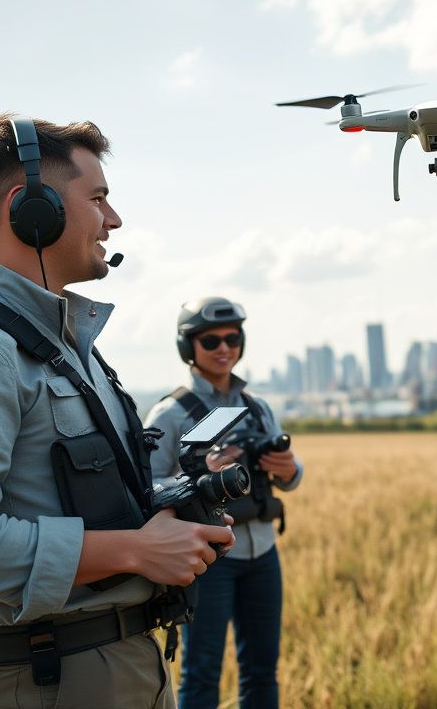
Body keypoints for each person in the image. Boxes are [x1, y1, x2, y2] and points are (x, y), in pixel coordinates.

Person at [0, 114, 234, 708]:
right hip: (51, 679)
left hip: (123, 665)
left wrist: (167, 513)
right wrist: (135, 551)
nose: (114, 220)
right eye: (99, 199)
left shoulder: (68, 346)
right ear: (31, 208)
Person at [145, 298, 302, 709]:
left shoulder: (257, 406)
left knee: (263, 671)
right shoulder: (170, 413)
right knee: (202, 673)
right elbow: (144, 489)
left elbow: (292, 477)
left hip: (264, 552)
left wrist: (287, 467)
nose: (223, 347)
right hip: (207, 560)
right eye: (210, 340)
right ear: (187, 347)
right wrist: (201, 475)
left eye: (232, 338)